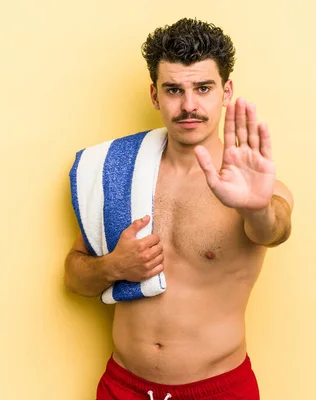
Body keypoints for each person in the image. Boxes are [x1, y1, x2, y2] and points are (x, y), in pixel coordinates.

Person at [64, 18, 294, 400]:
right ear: (155, 96)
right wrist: (114, 266)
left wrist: (256, 208)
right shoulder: (116, 171)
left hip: (217, 389)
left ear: (226, 90)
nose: (189, 105)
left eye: (203, 88)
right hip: (123, 386)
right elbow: (74, 277)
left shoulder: (251, 189)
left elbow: (275, 228)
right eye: (174, 90)